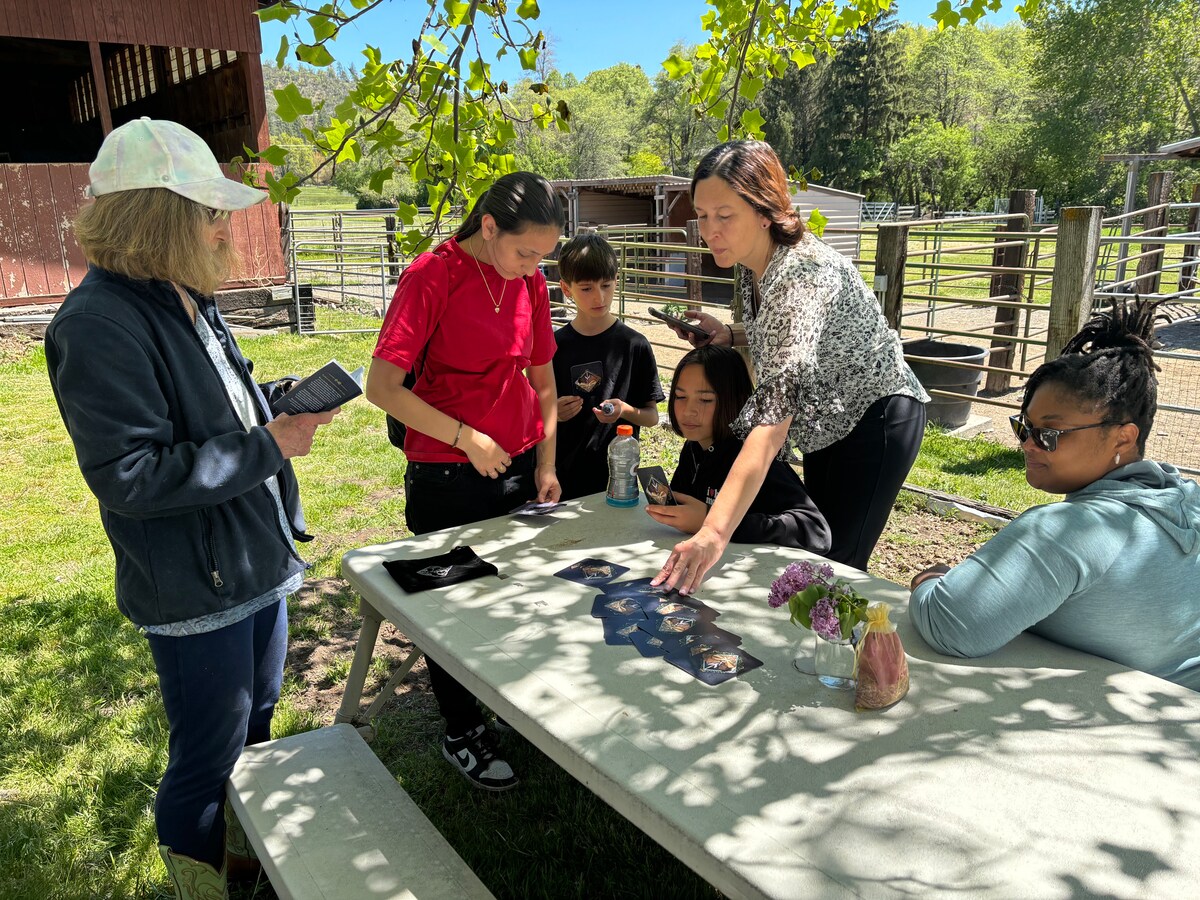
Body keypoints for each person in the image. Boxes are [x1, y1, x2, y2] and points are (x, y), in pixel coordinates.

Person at [44, 118, 338, 898]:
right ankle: (205, 890)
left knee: (257, 727)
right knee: (207, 760)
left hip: (252, 560)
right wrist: (269, 447)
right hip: (195, 587)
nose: (223, 226)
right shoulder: (98, 324)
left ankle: (249, 866)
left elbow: (215, 411)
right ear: (162, 217)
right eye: (209, 211)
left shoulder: (184, 296)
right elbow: (131, 476)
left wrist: (276, 406)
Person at [655, 140, 929, 594]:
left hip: (874, 419)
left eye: (725, 215)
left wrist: (713, 532)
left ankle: (846, 657)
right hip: (825, 422)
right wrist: (730, 335)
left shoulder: (800, 274)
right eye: (702, 215)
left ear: (765, 211)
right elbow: (787, 338)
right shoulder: (751, 263)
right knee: (810, 555)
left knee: (835, 566)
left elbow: (772, 424)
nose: (709, 230)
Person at [365, 171, 564, 791]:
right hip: (447, 475)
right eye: (525, 251)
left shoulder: (527, 279)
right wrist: (464, 437)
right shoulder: (432, 275)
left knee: (508, 600)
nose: (534, 267)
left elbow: (544, 381)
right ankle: (461, 729)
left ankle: (499, 706)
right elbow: (382, 387)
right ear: (488, 226)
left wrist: (547, 462)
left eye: (543, 256)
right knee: (451, 610)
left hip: (516, 470)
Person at [908, 298, 1200, 690]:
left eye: (1049, 434)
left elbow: (949, 625)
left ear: (1123, 437)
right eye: (1023, 428)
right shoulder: (1188, 503)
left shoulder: (1069, 531)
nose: (1028, 445)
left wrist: (929, 579)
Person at [646, 346, 831, 552]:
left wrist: (714, 522)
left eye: (706, 400)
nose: (689, 411)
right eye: (680, 397)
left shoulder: (754, 455)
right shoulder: (693, 449)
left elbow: (816, 531)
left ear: (736, 399)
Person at [552, 232, 664, 500]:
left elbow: (651, 416)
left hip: (618, 481)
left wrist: (624, 410)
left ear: (617, 280)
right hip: (562, 479)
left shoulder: (635, 345)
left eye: (606, 285)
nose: (599, 297)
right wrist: (553, 414)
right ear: (566, 289)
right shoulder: (553, 347)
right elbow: (533, 415)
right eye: (587, 288)